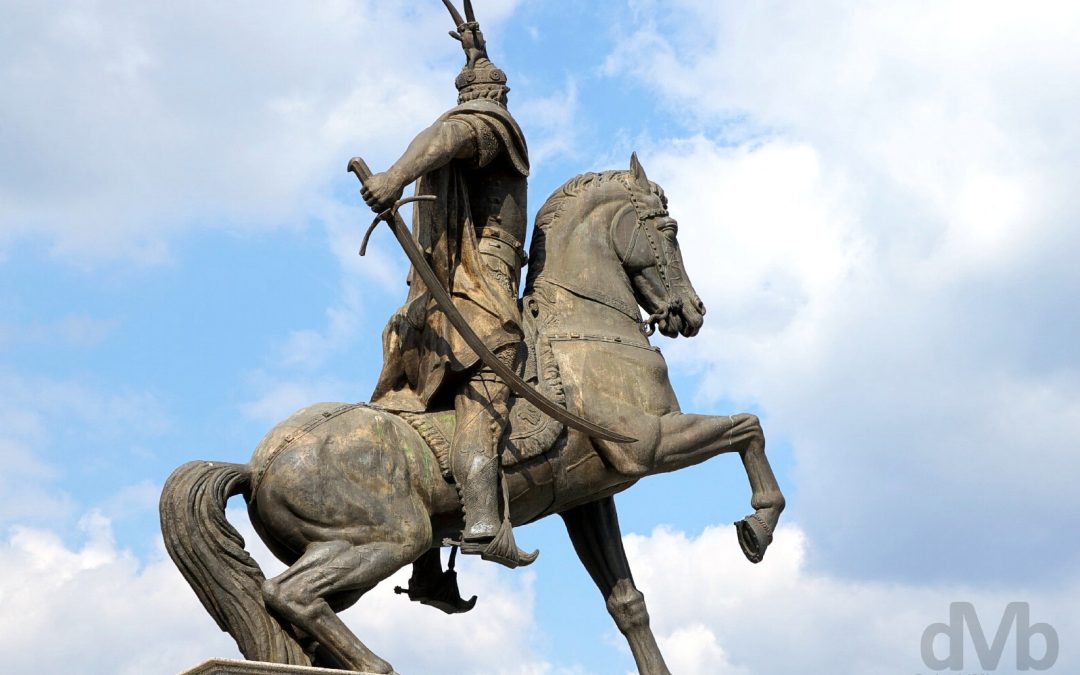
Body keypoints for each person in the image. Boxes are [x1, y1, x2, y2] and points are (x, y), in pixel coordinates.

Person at [360, 0, 533, 567]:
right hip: (479, 292)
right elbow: (450, 135)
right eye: (500, 97)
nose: (505, 106)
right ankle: (484, 520)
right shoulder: (489, 126)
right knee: (485, 399)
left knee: (428, 420)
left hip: (433, 302)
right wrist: (393, 177)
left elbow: (463, 116)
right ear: (498, 101)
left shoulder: (479, 113)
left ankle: (431, 567)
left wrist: (475, 52)